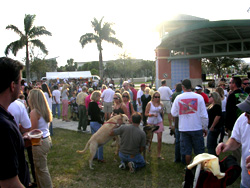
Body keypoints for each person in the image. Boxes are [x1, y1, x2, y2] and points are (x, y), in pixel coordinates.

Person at [0, 57, 30, 187]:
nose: (22, 86)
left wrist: (19, 142)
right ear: (13, 86)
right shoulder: (4, 127)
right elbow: (9, 184)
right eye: (20, 82)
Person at [171, 79, 208, 165]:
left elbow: (174, 113)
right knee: (199, 151)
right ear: (191, 86)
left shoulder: (178, 98)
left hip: (184, 128)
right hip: (197, 127)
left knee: (187, 151)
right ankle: (199, 169)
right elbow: (204, 115)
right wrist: (205, 127)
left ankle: (188, 169)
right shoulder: (199, 97)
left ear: (183, 87)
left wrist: (183, 111)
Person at [216, 96, 250, 188]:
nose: (246, 115)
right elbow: (236, 139)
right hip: (246, 182)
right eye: (245, 111)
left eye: (249, 112)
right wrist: (227, 145)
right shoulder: (243, 119)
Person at [28, 89, 53, 188]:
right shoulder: (45, 110)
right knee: (39, 169)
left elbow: (32, 131)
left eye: (29, 97)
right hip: (46, 139)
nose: (28, 98)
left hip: (39, 142)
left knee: (41, 169)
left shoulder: (34, 112)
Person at [225, 76, 247, 162]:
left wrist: (227, 126)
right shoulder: (245, 95)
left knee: (236, 148)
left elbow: (229, 112)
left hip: (234, 125)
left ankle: (239, 166)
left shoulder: (232, 96)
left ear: (234, 84)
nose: (229, 84)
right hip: (246, 124)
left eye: (230, 83)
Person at [145, 91, 164, 159]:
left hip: (159, 121)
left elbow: (162, 113)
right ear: (153, 97)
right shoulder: (149, 104)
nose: (157, 98)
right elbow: (146, 113)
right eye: (155, 97)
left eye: (158, 97)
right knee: (150, 138)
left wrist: (163, 121)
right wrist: (152, 114)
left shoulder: (161, 104)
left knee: (159, 138)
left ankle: (159, 154)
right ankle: (148, 149)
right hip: (151, 122)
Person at [88, 91, 105, 163]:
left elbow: (90, 113)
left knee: (94, 140)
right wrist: (102, 122)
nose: (100, 98)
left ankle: (94, 155)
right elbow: (96, 116)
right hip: (96, 123)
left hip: (92, 122)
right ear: (96, 96)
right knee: (100, 141)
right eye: (99, 96)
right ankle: (100, 157)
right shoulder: (94, 104)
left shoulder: (90, 104)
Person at [171, 83, 185, 164]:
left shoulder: (175, 95)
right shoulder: (183, 95)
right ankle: (184, 158)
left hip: (177, 120)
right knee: (184, 141)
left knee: (177, 141)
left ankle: (177, 158)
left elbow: (173, 111)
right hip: (184, 121)